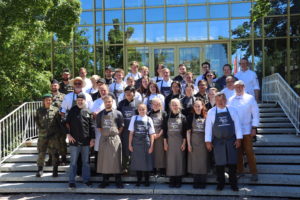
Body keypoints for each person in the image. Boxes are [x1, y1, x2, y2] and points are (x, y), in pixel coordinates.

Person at [205, 92, 243, 191]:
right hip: (218, 142)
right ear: (215, 101)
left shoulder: (232, 110)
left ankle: (233, 183)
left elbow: (237, 125)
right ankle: (220, 183)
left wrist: (239, 139)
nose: (220, 102)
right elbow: (208, 128)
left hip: (231, 140)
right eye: (218, 100)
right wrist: (208, 141)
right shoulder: (211, 112)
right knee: (219, 164)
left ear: (225, 100)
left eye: (222, 100)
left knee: (232, 163)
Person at [228, 80, 259, 182]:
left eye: (240, 86)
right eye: (237, 87)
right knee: (238, 153)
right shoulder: (231, 99)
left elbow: (255, 114)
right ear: (234, 88)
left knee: (249, 152)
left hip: (247, 130)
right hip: (235, 131)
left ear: (244, 87)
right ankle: (240, 172)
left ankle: (254, 173)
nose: (239, 88)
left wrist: (254, 128)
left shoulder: (250, 98)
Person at [66, 93, 95, 188]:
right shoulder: (72, 110)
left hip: (86, 142)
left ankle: (86, 180)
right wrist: (68, 134)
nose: (80, 101)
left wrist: (93, 139)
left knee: (86, 163)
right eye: (78, 100)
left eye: (81, 100)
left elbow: (92, 126)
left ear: (84, 101)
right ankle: (71, 181)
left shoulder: (88, 111)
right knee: (73, 163)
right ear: (76, 101)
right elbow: (65, 123)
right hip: (74, 142)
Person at [96, 95, 124, 188]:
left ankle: (118, 180)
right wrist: (106, 134)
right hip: (104, 139)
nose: (108, 103)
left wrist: (114, 134)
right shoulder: (100, 114)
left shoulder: (118, 113)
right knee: (104, 160)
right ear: (104, 102)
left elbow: (121, 127)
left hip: (115, 139)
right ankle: (105, 180)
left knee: (116, 159)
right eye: (106, 101)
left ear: (112, 102)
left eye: (110, 101)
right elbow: (99, 127)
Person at [91, 84, 117, 172]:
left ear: (108, 91)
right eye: (101, 90)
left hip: (109, 130)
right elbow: (93, 114)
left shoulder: (112, 101)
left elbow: (112, 112)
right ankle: (98, 170)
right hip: (99, 130)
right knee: (98, 150)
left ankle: (110, 171)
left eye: (104, 90)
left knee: (109, 150)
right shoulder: (95, 102)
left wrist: (98, 112)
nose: (103, 92)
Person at [128, 103, 155, 187]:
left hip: (145, 143)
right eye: (140, 109)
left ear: (146, 110)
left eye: (143, 109)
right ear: (138, 110)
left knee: (146, 161)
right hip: (136, 143)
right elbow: (131, 133)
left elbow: (151, 134)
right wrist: (130, 145)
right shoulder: (134, 118)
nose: (142, 111)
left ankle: (147, 180)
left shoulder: (149, 119)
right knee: (137, 162)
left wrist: (151, 146)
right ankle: (138, 180)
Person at [35, 94, 61, 177]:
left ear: (52, 101)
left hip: (53, 136)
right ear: (43, 101)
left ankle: (55, 170)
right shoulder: (39, 110)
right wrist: (42, 130)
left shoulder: (56, 110)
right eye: (47, 100)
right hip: (43, 136)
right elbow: (37, 122)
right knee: (41, 153)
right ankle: (40, 169)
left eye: (50, 100)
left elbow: (58, 123)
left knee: (54, 153)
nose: (48, 101)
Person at [163, 99, 187, 188]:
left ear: (179, 106)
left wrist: (184, 143)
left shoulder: (183, 117)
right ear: (170, 106)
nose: (174, 106)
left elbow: (185, 132)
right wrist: (165, 143)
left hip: (180, 142)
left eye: (176, 104)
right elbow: (165, 131)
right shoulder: (166, 117)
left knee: (179, 160)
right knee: (170, 161)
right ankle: (172, 179)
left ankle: (178, 180)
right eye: (173, 104)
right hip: (169, 142)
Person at [117, 86, 139, 173]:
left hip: (136, 130)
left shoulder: (138, 103)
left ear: (134, 93)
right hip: (125, 130)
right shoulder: (121, 104)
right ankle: (125, 167)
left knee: (135, 149)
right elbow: (118, 117)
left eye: (130, 93)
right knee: (125, 149)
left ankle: (135, 167)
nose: (128, 94)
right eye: (126, 93)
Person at [187, 100, 208, 189]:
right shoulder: (190, 117)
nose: (197, 108)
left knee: (203, 161)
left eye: (199, 106)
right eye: (196, 106)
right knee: (195, 162)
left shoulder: (207, 116)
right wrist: (189, 144)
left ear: (202, 106)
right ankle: (196, 181)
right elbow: (188, 132)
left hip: (204, 142)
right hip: (194, 141)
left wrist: (209, 142)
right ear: (193, 107)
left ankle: (203, 182)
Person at [48, 79, 67, 166]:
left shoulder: (63, 96)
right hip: (50, 123)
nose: (54, 87)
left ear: (58, 86)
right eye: (52, 85)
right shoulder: (47, 96)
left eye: (55, 85)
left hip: (60, 122)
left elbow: (66, 108)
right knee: (51, 142)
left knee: (61, 141)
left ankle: (63, 159)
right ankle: (52, 158)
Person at [148, 97, 167, 176]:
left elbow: (165, 126)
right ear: (151, 105)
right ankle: (154, 169)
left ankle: (162, 170)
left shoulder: (164, 113)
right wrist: (152, 134)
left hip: (161, 136)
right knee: (152, 153)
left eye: (157, 104)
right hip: (151, 136)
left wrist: (159, 134)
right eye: (154, 104)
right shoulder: (149, 114)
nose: (155, 106)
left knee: (161, 154)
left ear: (160, 105)